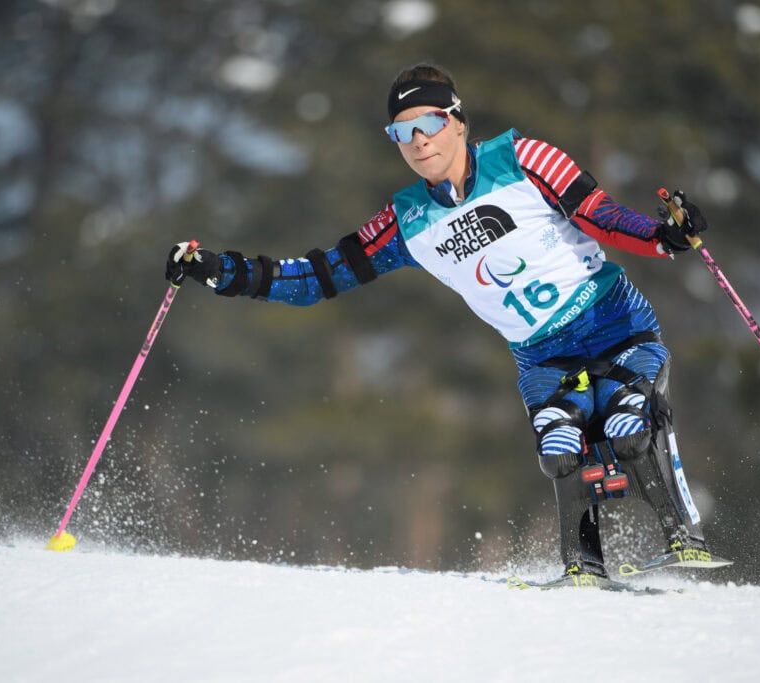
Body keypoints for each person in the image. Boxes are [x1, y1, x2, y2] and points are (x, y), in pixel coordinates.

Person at [166, 63, 723, 586]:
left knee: (628, 425)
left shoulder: (524, 158)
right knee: (559, 446)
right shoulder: (407, 220)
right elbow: (318, 276)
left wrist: (663, 235)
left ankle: (683, 538)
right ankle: (583, 565)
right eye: (402, 131)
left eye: (429, 123)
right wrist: (219, 271)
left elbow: (602, 216)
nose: (419, 140)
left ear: (457, 120)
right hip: (542, 356)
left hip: (615, 325)